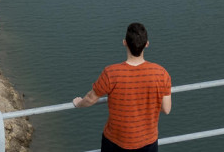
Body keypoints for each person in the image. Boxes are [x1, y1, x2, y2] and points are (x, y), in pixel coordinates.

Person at [73, 22, 172, 152]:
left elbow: (91, 98)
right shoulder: (161, 73)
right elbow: (166, 109)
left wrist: (78, 103)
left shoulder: (111, 73)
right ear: (146, 44)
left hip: (115, 142)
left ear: (124, 42)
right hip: (148, 142)